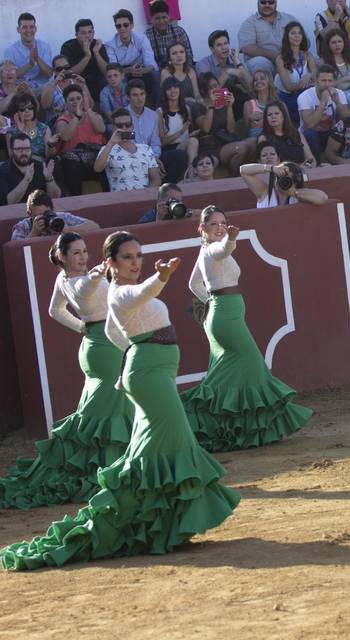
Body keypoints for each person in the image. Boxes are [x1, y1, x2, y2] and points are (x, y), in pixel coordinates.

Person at [0, 231, 241, 571]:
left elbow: (112, 331)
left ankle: (150, 521)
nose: (135, 262)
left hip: (146, 370)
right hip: (147, 374)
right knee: (172, 441)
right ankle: (142, 518)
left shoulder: (110, 293)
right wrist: (161, 276)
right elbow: (140, 292)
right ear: (111, 262)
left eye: (138, 255)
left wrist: (127, 356)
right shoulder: (119, 290)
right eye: (127, 257)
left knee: (155, 446)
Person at [0, 232, 131, 510]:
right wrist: (97, 276)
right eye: (76, 253)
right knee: (110, 409)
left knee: (99, 410)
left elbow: (54, 310)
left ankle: (95, 462)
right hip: (105, 347)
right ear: (62, 256)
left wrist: (81, 327)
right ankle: (108, 468)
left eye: (85, 251)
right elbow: (82, 290)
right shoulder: (80, 280)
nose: (83, 257)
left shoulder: (63, 280)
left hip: (95, 343)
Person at [180, 206, 313, 451]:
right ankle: (191, 416)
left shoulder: (204, 252)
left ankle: (227, 428)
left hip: (222, 314)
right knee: (252, 363)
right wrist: (230, 238)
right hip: (225, 316)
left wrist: (210, 301)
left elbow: (193, 284)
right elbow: (224, 249)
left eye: (223, 222)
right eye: (213, 224)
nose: (219, 227)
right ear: (202, 229)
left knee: (230, 372)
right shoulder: (213, 250)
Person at [128, 79, 188, 183]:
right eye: (135, 95)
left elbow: (155, 143)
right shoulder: (124, 116)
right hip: (132, 157)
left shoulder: (152, 115)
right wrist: (150, 161)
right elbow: (129, 143)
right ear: (128, 97)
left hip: (153, 156)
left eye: (142, 94)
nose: (139, 98)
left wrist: (154, 159)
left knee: (180, 156)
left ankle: (167, 189)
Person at [55, 84, 107, 196]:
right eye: (71, 99)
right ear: (66, 102)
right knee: (73, 168)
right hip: (74, 160)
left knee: (107, 165)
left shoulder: (94, 115)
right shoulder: (62, 120)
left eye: (78, 98)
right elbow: (65, 136)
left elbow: (101, 129)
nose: (76, 102)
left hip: (95, 157)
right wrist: (76, 118)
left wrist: (88, 109)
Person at [93, 108, 161, 192]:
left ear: (132, 126)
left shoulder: (146, 148)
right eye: (119, 126)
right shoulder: (107, 149)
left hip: (143, 199)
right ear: (114, 128)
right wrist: (111, 143)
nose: (124, 128)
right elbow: (97, 168)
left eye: (127, 125)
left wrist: (143, 196)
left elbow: (156, 180)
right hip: (119, 201)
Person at [297, 65, 350, 160]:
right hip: (311, 135)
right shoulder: (304, 96)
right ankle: (315, 164)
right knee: (310, 133)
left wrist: (338, 102)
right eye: (323, 80)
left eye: (330, 81)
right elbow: (309, 124)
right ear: (316, 81)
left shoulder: (339, 94)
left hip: (331, 133)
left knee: (345, 130)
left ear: (334, 82)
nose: (327, 84)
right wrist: (323, 102)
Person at [195, 73, 246, 172]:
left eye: (216, 85)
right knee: (241, 147)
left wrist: (230, 107)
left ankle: (234, 177)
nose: (215, 89)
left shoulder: (225, 105)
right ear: (203, 90)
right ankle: (232, 177)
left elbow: (231, 130)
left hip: (225, 141)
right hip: (210, 146)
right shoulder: (198, 107)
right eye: (211, 87)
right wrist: (211, 106)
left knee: (251, 143)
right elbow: (206, 128)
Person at [106, 9, 160, 100]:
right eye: (118, 26)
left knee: (156, 75)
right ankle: (126, 110)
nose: (122, 28)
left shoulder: (142, 38)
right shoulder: (110, 45)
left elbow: (151, 62)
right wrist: (129, 70)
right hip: (123, 71)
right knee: (119, 80)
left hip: (141, 69)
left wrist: (144, 70)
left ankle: (157, 107)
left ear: (132, 25)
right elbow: (114, 69)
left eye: (126, 25)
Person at [238, 0, 299, 76]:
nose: (267, 5)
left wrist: (291, 54)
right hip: (264, 60)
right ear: (258, 3)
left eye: (271, 2)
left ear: (276, 3)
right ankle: (270, 88)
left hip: (288, 58)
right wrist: (275, 56)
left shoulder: (289, 19)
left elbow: (305, 41)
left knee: (313, 59)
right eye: (263, 2)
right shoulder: (249, 23)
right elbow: (246, 47)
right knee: (261, 63)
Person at [195, 30, 254, 107]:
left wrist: (238, 63)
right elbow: (209, 92)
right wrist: (227, 72)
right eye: (219, 45)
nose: (224, 48)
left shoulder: (234, 59)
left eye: (226, 43)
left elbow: (251, 86)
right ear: (212, 49)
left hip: (230, 98)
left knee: (240, 93)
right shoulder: (203, 64)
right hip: (211, 103)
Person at [275, 22, 318, 127]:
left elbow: (316, 76)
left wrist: (308, 76)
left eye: (299, 33)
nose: (297, 36)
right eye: (293, 33)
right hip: (287, 97)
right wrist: (306, 82)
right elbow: (288, 87)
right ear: (287, 37)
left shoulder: (307, 55)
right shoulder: (280, 59)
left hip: (304, 93)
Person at [9, 189, 96, 241]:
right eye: (39, 216)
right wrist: (34, 233)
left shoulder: (60, 218)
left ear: (52, 210)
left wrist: (69, 229)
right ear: (29, 214)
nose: (45, 218)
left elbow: (94, 226)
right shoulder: (23, 226)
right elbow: (15, 248)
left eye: (47, 213)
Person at [240, 158, 329, 207]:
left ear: (295, 182)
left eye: (288, 179)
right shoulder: (266, 193)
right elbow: (243, 171)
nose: (284, 182)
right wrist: (272, 168)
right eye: (281, 177)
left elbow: (322, 198)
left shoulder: (299, 195)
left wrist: (294, 192)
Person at [1, 135, 61, 206]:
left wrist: (49, 179)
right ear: (11, 150)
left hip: (40, 211)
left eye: (27, 149)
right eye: (19, 149)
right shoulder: (3, 171)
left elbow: (56, 197)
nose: (24, 153)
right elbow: (9, 202)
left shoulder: (41, 166)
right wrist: (26, 180)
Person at [158, 77, 199, 175]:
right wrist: (181, 131)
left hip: (185, 145)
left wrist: (192, 134)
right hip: (169, 149)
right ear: (164, 92)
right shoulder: (159, 112)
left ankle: (191, 174)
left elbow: (189, 134)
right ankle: (191, 175)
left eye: (175, 87)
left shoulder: (186, 109)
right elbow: (162, 142)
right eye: (169, 89)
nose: (173, 91)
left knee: (193, 141)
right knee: (192, 142)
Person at [3, 13, 53, 91]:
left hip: (42, 88)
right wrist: (30, 65)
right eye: (24, 27)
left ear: (35, 29)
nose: (28, 30)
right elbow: (10, 76)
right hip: (20, 89)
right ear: (18, 30)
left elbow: (50, 74)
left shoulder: (44, 46)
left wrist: (37, 58)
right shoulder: (10, 50)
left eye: (31, 27)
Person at [60, 19, 110, 97]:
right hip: (77, 80)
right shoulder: (68, 47)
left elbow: (106, 72)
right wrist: (87, 56)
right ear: (76, 34)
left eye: (90, 32)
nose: (87, 36)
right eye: (83, 33)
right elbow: (68, 73)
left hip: (97, 80)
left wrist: (96, 52)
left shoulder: (98, 45)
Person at [258, 100, 317, 166]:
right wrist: (298, 167)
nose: (273, 117)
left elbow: (311, 159)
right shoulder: (264, 138)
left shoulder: (297, 134)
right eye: (269, 115)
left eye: (277, 113)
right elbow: (266, 163)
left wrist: (308, 165)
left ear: (284, 115)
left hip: (303, 172)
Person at [5, 93, 58, 163]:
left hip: (40, 166)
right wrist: (21, 132)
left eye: (30, 108)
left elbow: (49, 156)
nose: (27, 111)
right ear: (16, 112)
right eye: (22, 109)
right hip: (20, 166)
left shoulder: (43, 128)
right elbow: (12, 156)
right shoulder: (10, 132)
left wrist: (50, 145)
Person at [145, 0, 195, 69]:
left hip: (181, 69)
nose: (161, 21)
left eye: (164, 17)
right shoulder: (146, 36)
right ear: (151, 18)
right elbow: (148, 61)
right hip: (160, 72)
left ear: (169, 16)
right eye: (157, 18)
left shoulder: (179, 31)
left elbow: (189, 55)